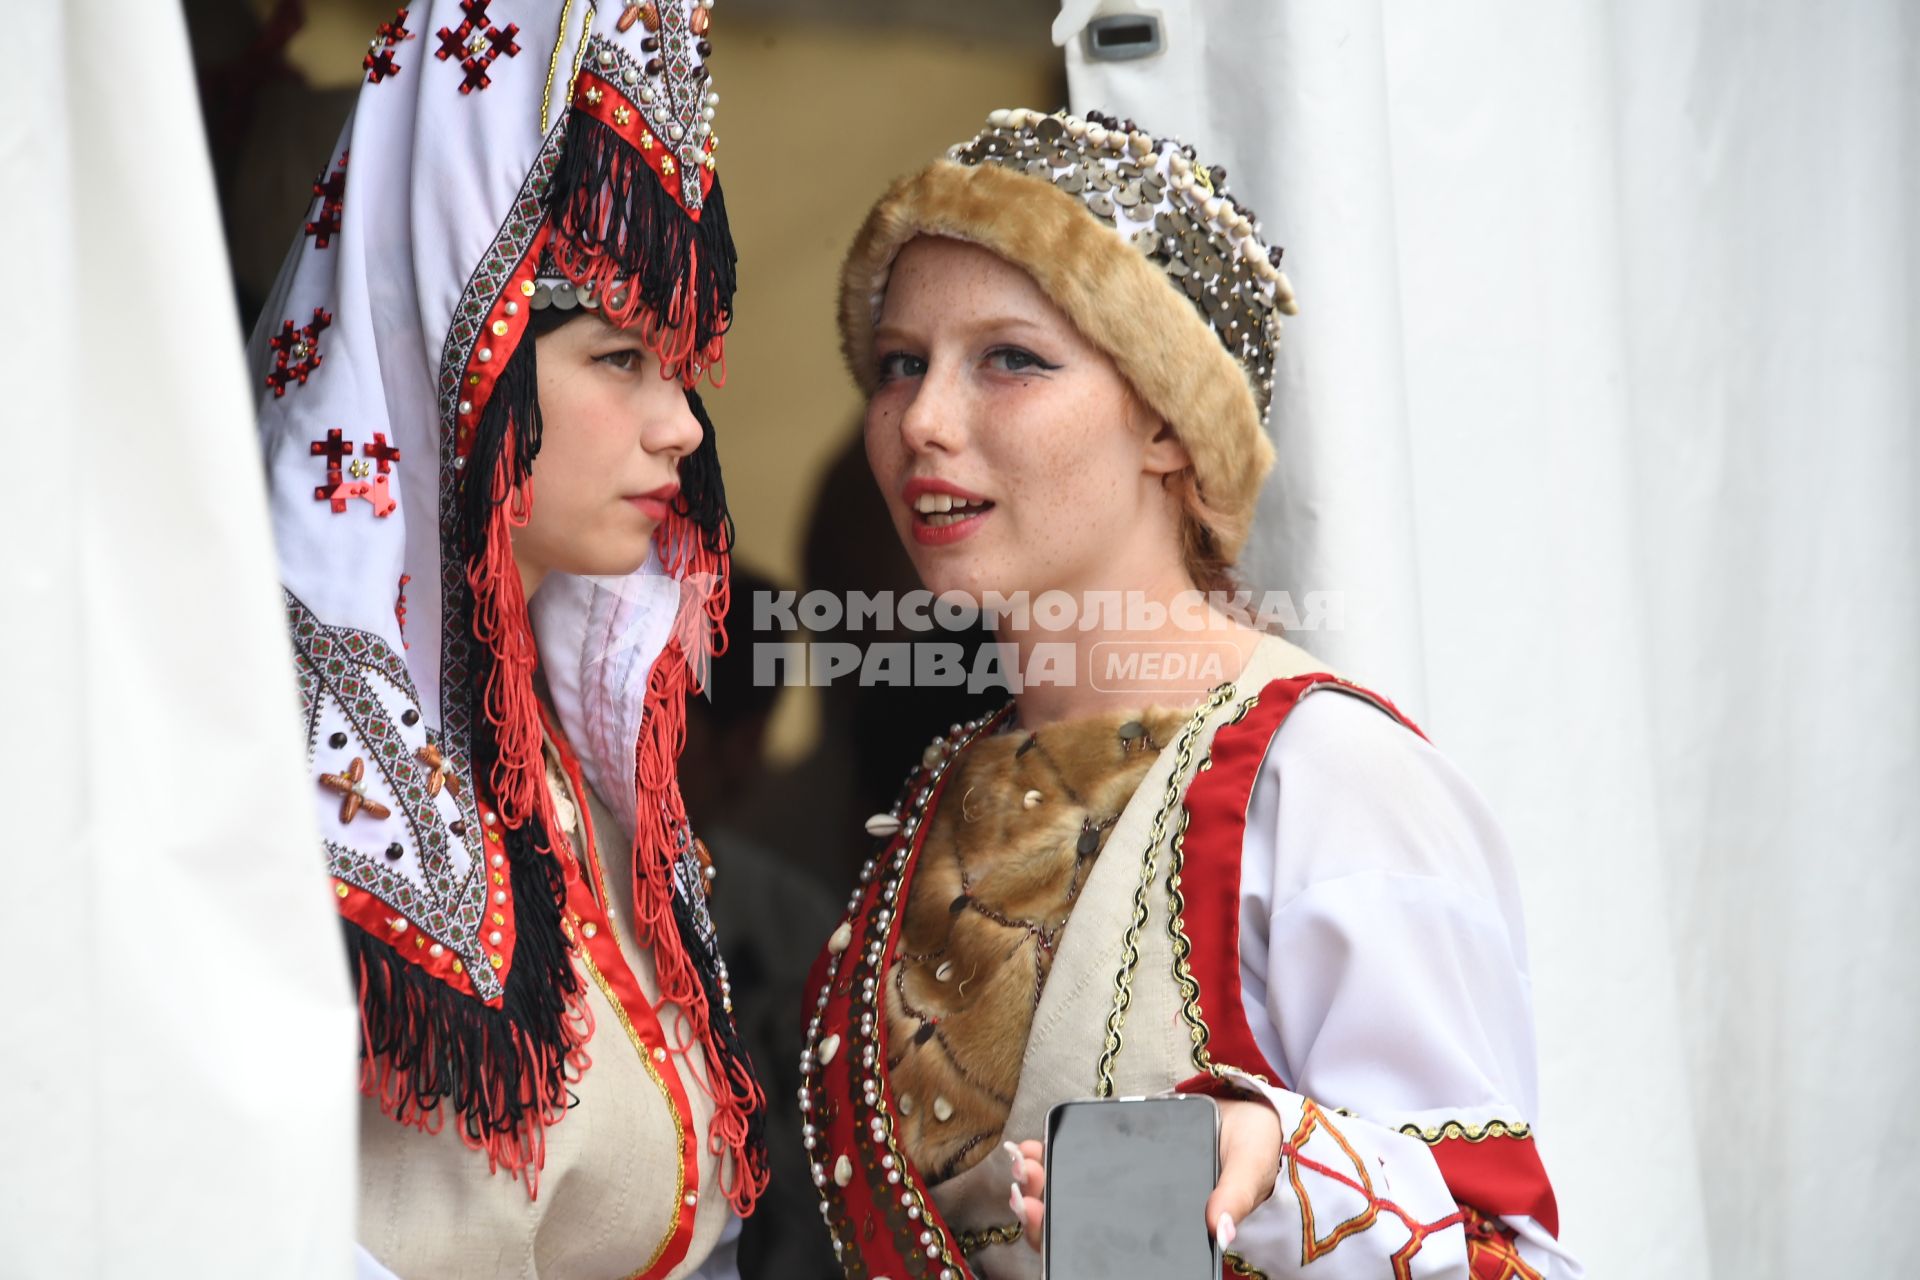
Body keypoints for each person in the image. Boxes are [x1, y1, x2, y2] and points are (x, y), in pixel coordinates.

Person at [799, 108, 1583, 1278]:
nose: (923, 419)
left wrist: (1278, 1166)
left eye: (1010, 359)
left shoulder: (1330, 782)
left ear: (1167, 418)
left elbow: (1508, 1255)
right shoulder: (945, 788)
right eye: (902, 362)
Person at [249, 3, 766, 1275]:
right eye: (621, 359)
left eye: (684, 367)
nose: (683, 427)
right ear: (460, 350)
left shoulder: (577, 772)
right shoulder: (265, 756)